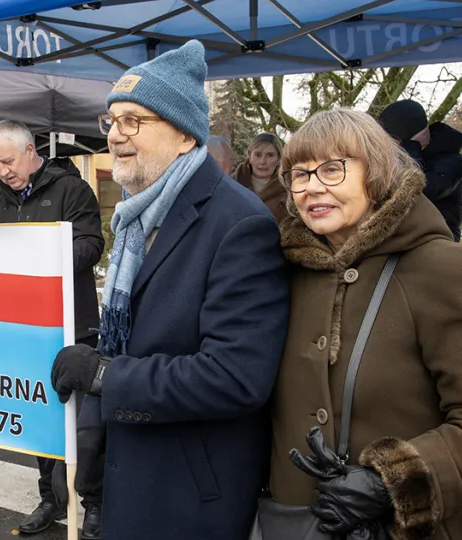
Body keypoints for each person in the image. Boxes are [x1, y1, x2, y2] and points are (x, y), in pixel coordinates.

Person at [48, 40, 290, 539]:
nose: (115, 136)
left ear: (183, 135)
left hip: (186, 493)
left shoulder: (239, 222)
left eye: (133, 120)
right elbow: (145, 328)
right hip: (129, 471)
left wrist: (106, 376)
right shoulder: (139, 213)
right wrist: (96, 354)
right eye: (110, 121)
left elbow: (235, 376)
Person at [264, 108, 462, 539]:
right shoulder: (285, 272)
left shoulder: (440, 267)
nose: (312, 186)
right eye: (298, 174)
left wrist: (390, 483)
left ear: (377, 171)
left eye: (332, 169)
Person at [0, 120, 105, 539]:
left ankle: (91, 504)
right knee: (38, 417)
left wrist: (41, 258)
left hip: (75, 327)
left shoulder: (72, 190)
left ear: (31, 150)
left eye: (8, 161)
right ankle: (51, 499)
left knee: (82, 424)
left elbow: (91, 244)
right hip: (25, 328)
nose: (2, 172)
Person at [378, 99, 462, 241]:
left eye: (390, 139)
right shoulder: (396, 157)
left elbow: (423, 191)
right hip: (403, 240)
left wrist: (410, 151)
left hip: (438, 242)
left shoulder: (452, 162)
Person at [233, 132, 288, 222]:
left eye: (270, 155)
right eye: (258, 155)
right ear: (250, 157)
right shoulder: (231, 185)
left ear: (278, 159)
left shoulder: (289, 190)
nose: (262, 161)